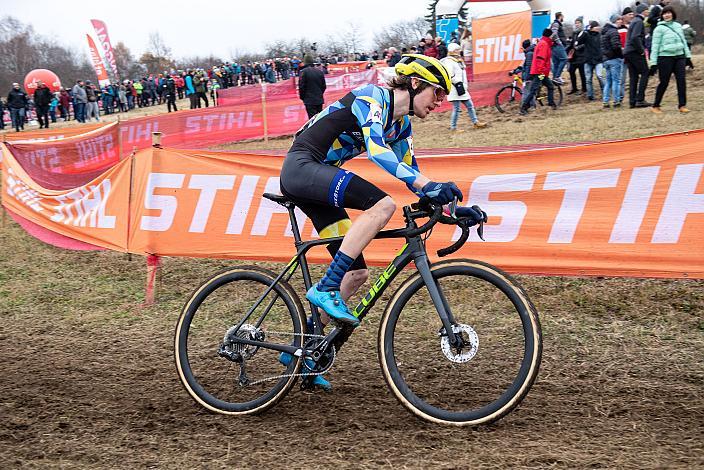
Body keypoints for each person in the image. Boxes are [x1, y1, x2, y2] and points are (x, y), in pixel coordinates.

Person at [277, 54, 485, 388]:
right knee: (381, 206)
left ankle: (304, 349)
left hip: (317, 181)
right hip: (301, 168)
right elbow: (376, 150)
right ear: (416, 83)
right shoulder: (371, 97)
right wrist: (427, 186)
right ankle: (327, 288)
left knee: (358, 272)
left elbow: (414, 177)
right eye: (437, 93)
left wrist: (454, 210)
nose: (440, 102)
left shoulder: (401, 126)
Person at [649, 6, 693, 114]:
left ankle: (682, 105)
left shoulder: (678, 26)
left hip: (679, 56)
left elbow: (683, 42)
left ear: (673, 14)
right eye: (664, 13)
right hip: (665, 58)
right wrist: (653, 63)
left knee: (681, 81)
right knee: (664, 82)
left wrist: (688, 57)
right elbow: (655, 47)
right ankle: (655, 105)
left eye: (669, 13)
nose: (667, 15)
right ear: (662, 16)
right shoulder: (658, 29)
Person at [441, 43, 486, 130]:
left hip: (462, 89)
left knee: (470, 105)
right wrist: (458, 83)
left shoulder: (458, 61)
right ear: (452, 51)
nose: (459, 51)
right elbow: (450, 75)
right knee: (457, 108)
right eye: (457, 50)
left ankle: (476, 123)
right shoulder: (449, 61)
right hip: (455, 88)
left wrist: (462, 85)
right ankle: (453, 128)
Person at [521, 29, 557, 115]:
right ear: (549, 36)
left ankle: (551, 103)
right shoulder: (543, 44)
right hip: (540, 72)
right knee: (533, 90)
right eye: (552, 36)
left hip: (541, 72)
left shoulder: (544, 43)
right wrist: (541, 71)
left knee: (550, 86)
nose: (553, 38)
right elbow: (540, 58)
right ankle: (524, 107)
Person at [624, 4, 651, 108]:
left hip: (628, 52)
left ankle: (632, 101)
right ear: (643, 11)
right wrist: (641, 51)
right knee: (645, 72)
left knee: (634, 77)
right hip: (634, 51)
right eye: (647, 10)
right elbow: (635, 37)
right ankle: (640, 99)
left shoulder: (634, 21)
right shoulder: (639, 21)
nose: (648, 12)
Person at [601, 14, 625, 108]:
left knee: (608, 82)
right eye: (619, 20)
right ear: (615, 21)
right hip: (614, 59)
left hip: (606, 60)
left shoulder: (604, 32)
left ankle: (605, 101)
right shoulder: (614, 31)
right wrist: (621, 55)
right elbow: (616, 46)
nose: (621, 21)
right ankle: (616, 101)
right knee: (616, 81)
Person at [298, 54, 326, 118]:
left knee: (312, 119)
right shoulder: (319, 71)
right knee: (320, 118)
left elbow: (302, 87)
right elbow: (323, 86)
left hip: (309, 100)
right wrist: (319, 94)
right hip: (319, 99)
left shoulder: (303, 72)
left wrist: (303, 97)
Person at [583, 21, 605, 101]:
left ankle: (605, 93)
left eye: (598, 26)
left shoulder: (600, 36)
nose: (598, 28)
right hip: (588, 60)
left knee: (600, 76)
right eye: (596, 26)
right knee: (588, 79)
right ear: (592, 27)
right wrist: (585, 31)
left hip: (598, 60)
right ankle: (590, 96)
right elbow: (579, 40)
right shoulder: (586, 35)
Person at [567, 17, 587, 95]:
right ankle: (574, 88)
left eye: (578, 23)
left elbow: (586, 44)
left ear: (581, 24)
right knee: (571, 71)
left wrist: (579, 47)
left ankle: (584, 88)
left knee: (582, 73)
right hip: (574, 57)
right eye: (576, 23)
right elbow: (572, 44)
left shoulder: (585, 33)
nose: (577, 24)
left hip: (582, 56)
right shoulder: (574, 33)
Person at [550, 12, 568, 83]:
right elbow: (554, 33)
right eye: (563, 16)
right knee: (564, 59)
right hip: (557, 46)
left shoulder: (556, 24)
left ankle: (555, 78)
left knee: (556, 63)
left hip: (554, 46)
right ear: (560, 16)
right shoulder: (556, 24)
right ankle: (557, 76)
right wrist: (559, 42)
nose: (563, 17)